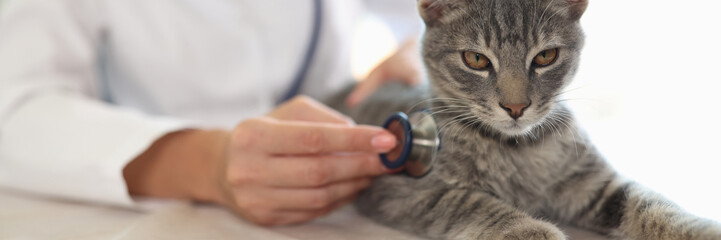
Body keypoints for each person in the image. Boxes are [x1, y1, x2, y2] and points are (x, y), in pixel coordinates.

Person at [0, 0, 424, 226]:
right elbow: (15, 112)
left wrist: (426, 47)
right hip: (172, 205)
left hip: (349, 192)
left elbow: (421, 14)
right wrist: (210, 164)